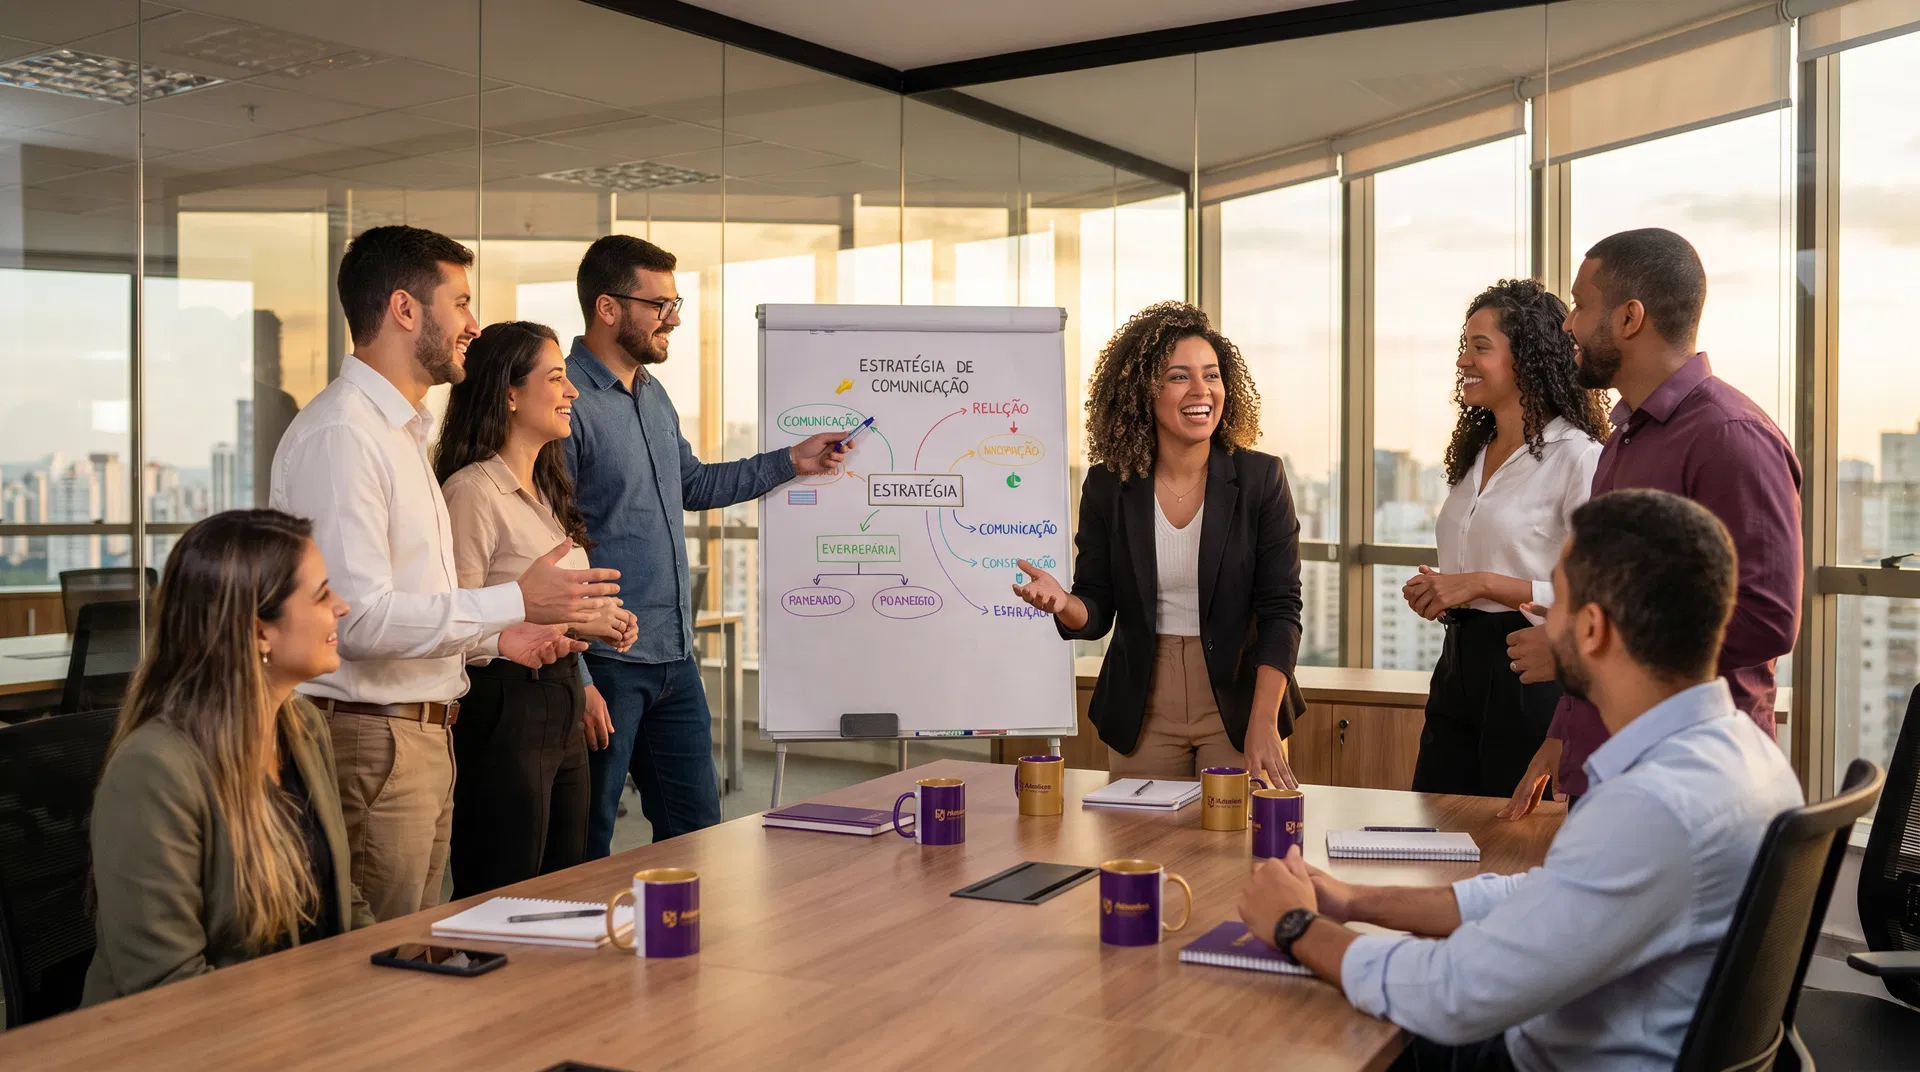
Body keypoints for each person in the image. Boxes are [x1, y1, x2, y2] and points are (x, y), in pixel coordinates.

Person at [1237, 489, 1803, 1071]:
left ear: (1591, 630)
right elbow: (1551, 896)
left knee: (1287, 1037)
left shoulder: (1653, 805)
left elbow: (1452, 995)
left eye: (1553, 601)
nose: (1541, 617)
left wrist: (1295, 926)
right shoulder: (1743, 760)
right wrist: (1357, 900)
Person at [270, 225, 615, 920]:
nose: (473, 325)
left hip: (420, 732)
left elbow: (419, 604)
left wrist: (497, 637)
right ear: (405, 309)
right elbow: (358, 620)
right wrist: (514, 601)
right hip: (375, 736)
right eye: (459, 303)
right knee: (382, 970)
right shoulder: (345, 437)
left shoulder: (398, 436)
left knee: (421, 951)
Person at [1502, 228, 1801, 817]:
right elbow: (1606, 600)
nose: (1568, 325)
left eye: (1582, 305)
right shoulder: (1622, 438)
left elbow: (1767, 618)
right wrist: (1561, 734)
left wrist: (1577, 653)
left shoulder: (1730, 437)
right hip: (1607, 764)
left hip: (1689, 781)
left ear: (1630, 317)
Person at [566, 234, 847, 851]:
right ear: (609, 308)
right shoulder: (563, 401)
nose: (675, 318)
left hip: (672, 655)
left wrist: (791, 462)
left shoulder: (652, 392)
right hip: (607, 660)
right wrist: (577, 672)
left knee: (696, 834)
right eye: (660, 304)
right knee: (586, 841)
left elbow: (691, 483)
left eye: (676, 302)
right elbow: (547, 541)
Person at [85, 510, 376, 1004]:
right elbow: (166, 989)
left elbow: (342, 901)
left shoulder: (303, 728)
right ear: (259, 631)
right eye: (322, 594)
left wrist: (381, 978)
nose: (342, 607)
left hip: (305, 1022)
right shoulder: (155, 771)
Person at [1011, 301, 1304, 786]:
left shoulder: (1260, 479)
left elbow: (1281, 608)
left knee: (1239, 853)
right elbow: (1098, 605)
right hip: (1143, 704)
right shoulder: (1109, 485)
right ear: (1142, 391)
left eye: (1211, 375)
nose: (1201, 390)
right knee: (1144, 851)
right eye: (1178, 376)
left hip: (1239, 698)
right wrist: (1065, 603)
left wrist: (1263, 722)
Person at [436, 321, 639, 897]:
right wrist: (560, 622)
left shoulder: (547, 491)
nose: (572, 391)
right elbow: (454, 620)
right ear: (509, 393)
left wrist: (594, 626)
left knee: (564, 882)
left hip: (559, 695)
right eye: (556, 378)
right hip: (504, 706)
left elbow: (546, 606)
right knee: (505, 887)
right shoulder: (472, 492)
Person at [1403, 279, 1608, 799]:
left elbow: (1597, 598)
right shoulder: (1474, 454)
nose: (1463, 361)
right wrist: (1443, 589)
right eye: (1463, 346)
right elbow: (1474, 571)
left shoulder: (1578, 457)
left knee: (1512, 843)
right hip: (1457, 662)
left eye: (1481, 347)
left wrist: (1483, 584)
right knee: (1435, 822)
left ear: (1529, 359)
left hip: (1528, 666)